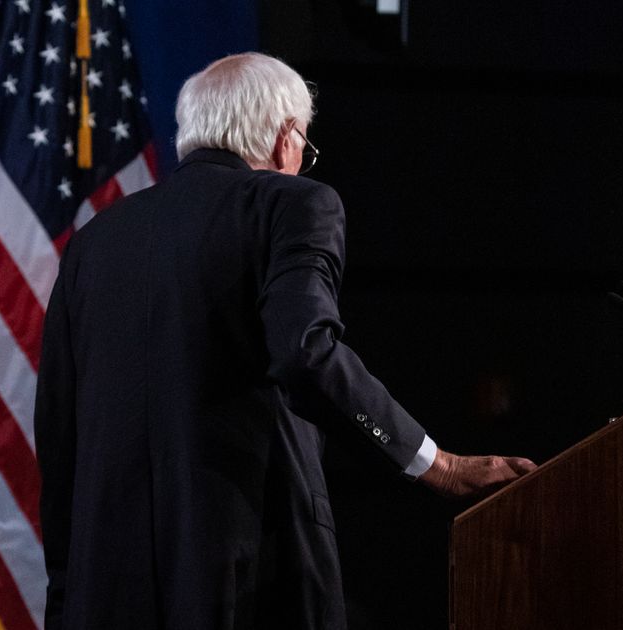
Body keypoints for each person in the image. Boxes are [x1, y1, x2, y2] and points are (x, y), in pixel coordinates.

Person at [34, 52, 536, 629]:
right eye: (306, 145)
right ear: (285, 138)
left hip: (106, 590)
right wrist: (437, 464)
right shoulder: (291, 203)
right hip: (247, 570)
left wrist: (66, 599)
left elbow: (58, 432)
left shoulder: (93, 242)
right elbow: (304, 353)